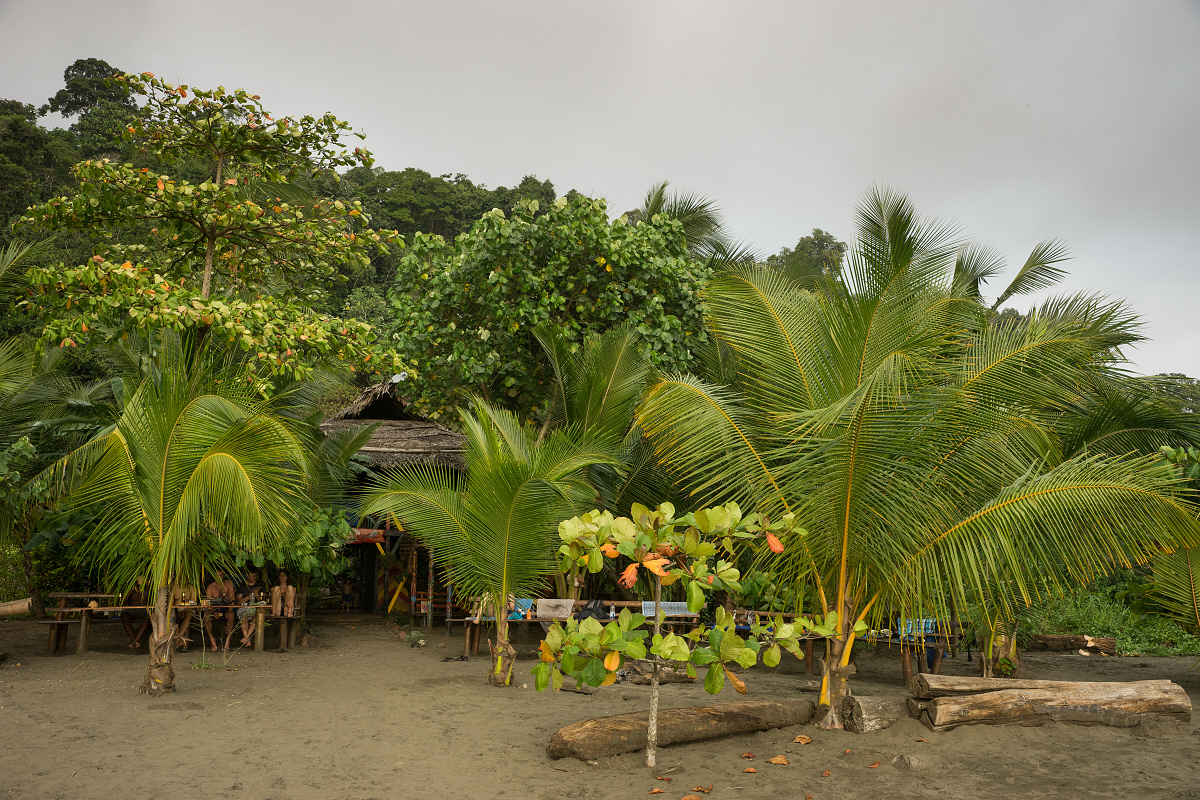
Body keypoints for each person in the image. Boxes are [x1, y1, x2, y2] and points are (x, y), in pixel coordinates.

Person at [204, 570, 237, 652]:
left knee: (231, 616)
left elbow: (232, 598)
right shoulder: (210, 587)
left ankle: (227, 642)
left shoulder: (229, 584)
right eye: (217, 576)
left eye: (221, 575)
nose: (219, 578)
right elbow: (208, 603)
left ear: (224, 575)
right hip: (215, 608)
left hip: (227, 607)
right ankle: (212, 641)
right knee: (206, 616)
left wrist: (230, 610)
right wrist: (214, 612)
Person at [235, 568, 267, 647]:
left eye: (255, 576)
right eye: (252, 576)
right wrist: (250, 596)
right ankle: (247, 640)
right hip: (244, 607)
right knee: (244, 617)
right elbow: (239, 602)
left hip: (256, 608)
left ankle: (246, 638)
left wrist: (256, 595)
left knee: (256, 617)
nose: (254, 578)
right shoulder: (241, 585)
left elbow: (263, 601)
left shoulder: (261, 584)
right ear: (247, 575)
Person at [121, 577, 150, 650]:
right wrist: (130, 590)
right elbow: (123, 601)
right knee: (125, 618)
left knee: (147, 618)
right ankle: (135, 640)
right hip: (131, 609)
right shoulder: (129, 588)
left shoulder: (148, 589)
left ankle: (135, 641)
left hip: (144, 610)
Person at [172, 583, 198, 651]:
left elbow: (193, 602)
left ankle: (179, 638)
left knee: (189, 615)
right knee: (174, 618)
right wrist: (178, 611)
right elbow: (171, 604)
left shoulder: (191, 588)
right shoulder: (173, 588)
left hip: (188, 609)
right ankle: (178, 640)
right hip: (176, 609)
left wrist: (184, 608)